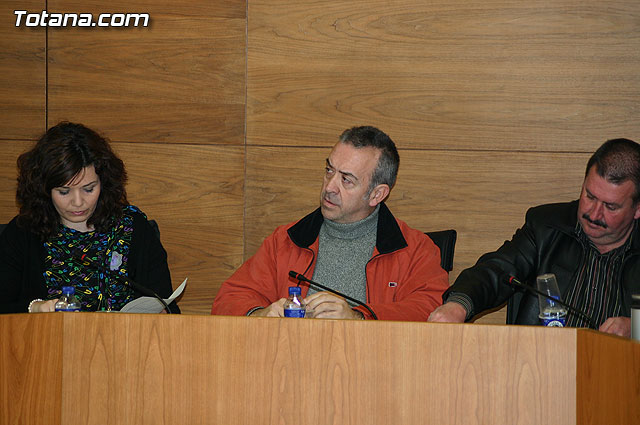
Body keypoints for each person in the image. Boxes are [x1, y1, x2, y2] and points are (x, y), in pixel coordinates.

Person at [211, 126, 449, 321]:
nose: (329, 187)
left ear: (377, 194)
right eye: (329, 170)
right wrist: (259, 315)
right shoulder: (286, 240)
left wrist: (358, 318)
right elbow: (229, 298)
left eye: (346, 180)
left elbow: (429, 311)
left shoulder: (416, 250)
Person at [428, 138, 640, 337]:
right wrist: (458, 305)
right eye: (590, 196)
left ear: (637, 209)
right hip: (541, 360)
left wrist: (637, 327)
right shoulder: (546, 226)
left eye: (610, 206)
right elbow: (497, 270)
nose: (593, 214)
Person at [0, 122, 179, 313]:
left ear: (104, 182)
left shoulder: (133, 228)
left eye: (88, 189)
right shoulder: (23, 233)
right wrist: (34, 307)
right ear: (44, 190)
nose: (78, 202)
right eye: (64, 192)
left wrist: (162, 313)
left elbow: (167, 305)